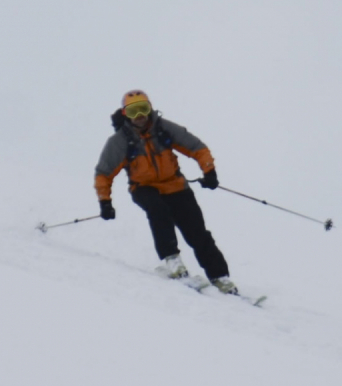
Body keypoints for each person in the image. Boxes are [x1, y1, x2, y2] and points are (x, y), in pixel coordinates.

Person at [94, 90, 238, 294]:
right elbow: (103, 173)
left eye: (143, 109)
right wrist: (105, 202)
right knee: (158, 210)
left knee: (197, 233)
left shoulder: (164, 129)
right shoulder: (119, 141)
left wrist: (209, 171)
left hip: (176, 186)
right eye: (133, 111)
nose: (140, 116)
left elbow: (197, 148)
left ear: (150, 108)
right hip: (144, 188)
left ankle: (220, 277)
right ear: (125, 114)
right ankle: (172, 261)